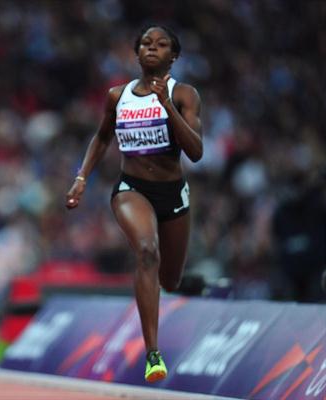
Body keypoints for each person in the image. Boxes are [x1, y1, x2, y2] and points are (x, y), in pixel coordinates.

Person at [65, 25, 203, 383]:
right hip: (132, 188)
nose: (152, 48)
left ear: (173, 56)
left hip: (172, 192)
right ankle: (153, 353)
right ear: (137, 53)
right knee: (146, 251)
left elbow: (196, 151)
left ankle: (178, 290)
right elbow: (101, 137)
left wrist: (167, 106)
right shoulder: (117, 96)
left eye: (161, 44)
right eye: (145, 43)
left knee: (170, 280)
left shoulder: (185, 94)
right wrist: (82, 178)